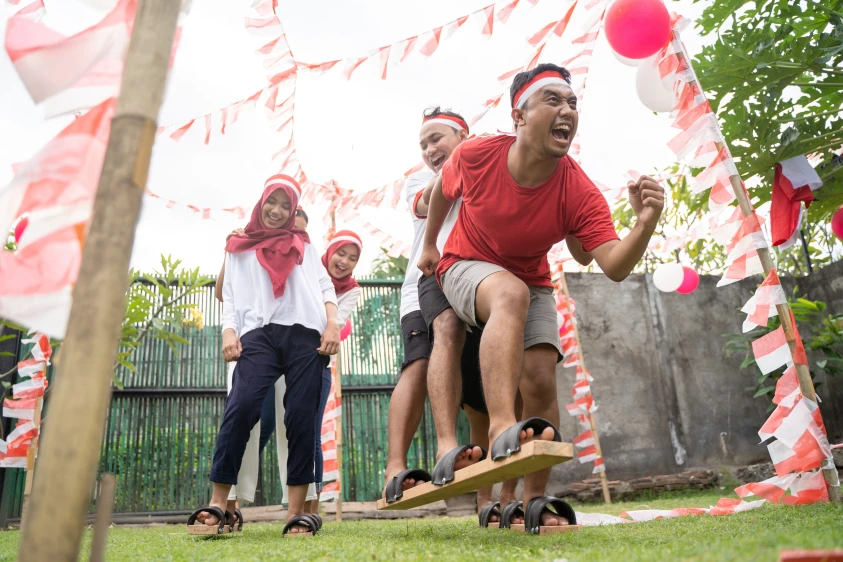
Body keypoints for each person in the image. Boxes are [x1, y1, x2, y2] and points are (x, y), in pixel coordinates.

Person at [418, 63, 665, 528]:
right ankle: (499, 427)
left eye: (572, 103)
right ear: (519, 115)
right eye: (552, 100)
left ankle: (528, 499)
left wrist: (645, 222)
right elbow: (442, 195)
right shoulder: (475, 156)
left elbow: (612, 265)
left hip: (530, 279)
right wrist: (430, 244)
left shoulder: (577, 187)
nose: (567, 110)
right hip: (462, 263)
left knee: (539, 376)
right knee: (509, 294)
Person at [189, 175, 339, 537]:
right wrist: (228, 330)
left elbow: (324, 285)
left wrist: (332, 323)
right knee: (240, 408)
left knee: (301, 416)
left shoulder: (302, 242)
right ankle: (218, 504)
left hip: (306, 334)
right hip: (258, 335)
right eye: (272, 202)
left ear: (293, 211)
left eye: (286, 206)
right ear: (261, 203)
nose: (277, 211)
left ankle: (295, 512)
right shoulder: (239, 246)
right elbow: (230, 294)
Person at [306, 229, 363, 514]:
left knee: (311, 432)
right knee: (264, 427)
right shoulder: (307, 271)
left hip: (318, 362)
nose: (344, 261)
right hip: (282, 357)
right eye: (341, 253)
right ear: (330, 252)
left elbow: (336, 324)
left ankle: (312, 506)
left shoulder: (353, 289)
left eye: (352, 258)